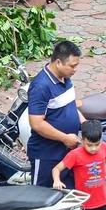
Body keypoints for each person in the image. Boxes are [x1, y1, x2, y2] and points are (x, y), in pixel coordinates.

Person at [27, 40, 84, 189]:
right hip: (47, 154)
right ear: (58, 62)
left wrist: (84, 123)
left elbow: (70, 105)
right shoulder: (41, 86)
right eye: (72, 66)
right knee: (42, 195)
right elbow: (37, 124)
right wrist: (65, 138)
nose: (75, 69)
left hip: (67, 151)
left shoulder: (66, 77)